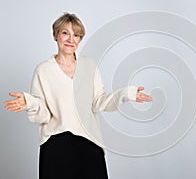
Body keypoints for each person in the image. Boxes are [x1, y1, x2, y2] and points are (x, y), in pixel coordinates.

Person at [4, 13, 152, 179]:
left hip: (89, 142)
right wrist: (30, 103)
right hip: (56, 145)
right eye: (65, 33)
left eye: (76, 35)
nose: (71, 39)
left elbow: (99, 102)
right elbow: (44, 115)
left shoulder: (89, 66)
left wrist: (126, 94)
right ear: (55, 35)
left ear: (80, 39)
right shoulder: (44, 70)